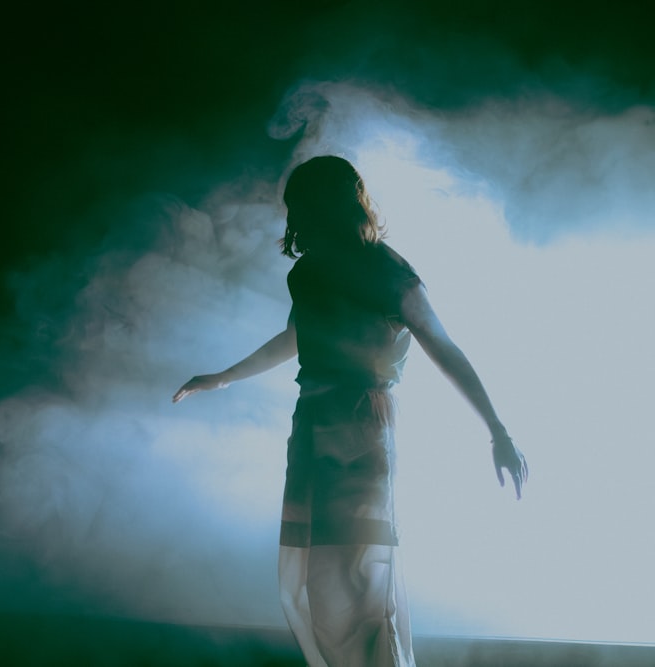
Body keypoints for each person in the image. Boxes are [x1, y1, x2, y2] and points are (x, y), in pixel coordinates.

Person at [173, 155, 527, 667]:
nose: (295, 219)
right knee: (321, 571)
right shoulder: (309, 273)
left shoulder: (389, 271)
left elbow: (444, 348)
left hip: (361, 424)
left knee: (362, 570)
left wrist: (497, 429)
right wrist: (224, 376)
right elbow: (297, 337)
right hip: (314, 423)